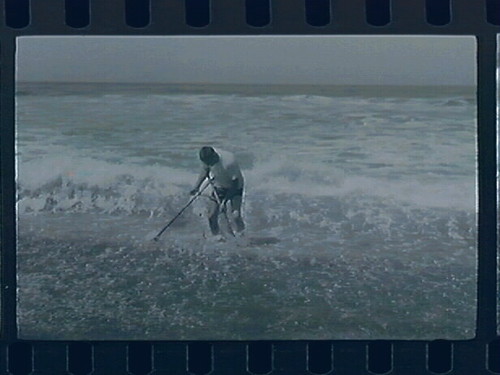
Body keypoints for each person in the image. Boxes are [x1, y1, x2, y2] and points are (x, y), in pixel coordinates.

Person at [190, 146, 245, 236]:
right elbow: (205, 171)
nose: (210, 164)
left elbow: (235, 184)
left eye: (211, 162)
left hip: (236, 187)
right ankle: (217, 237)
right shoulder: (206, 158)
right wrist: (196, 187)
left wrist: (225, 200)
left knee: (236, 215)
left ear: (215, 155)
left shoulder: (229, 162)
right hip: (219, 186)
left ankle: (242, 235)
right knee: (212, 216)